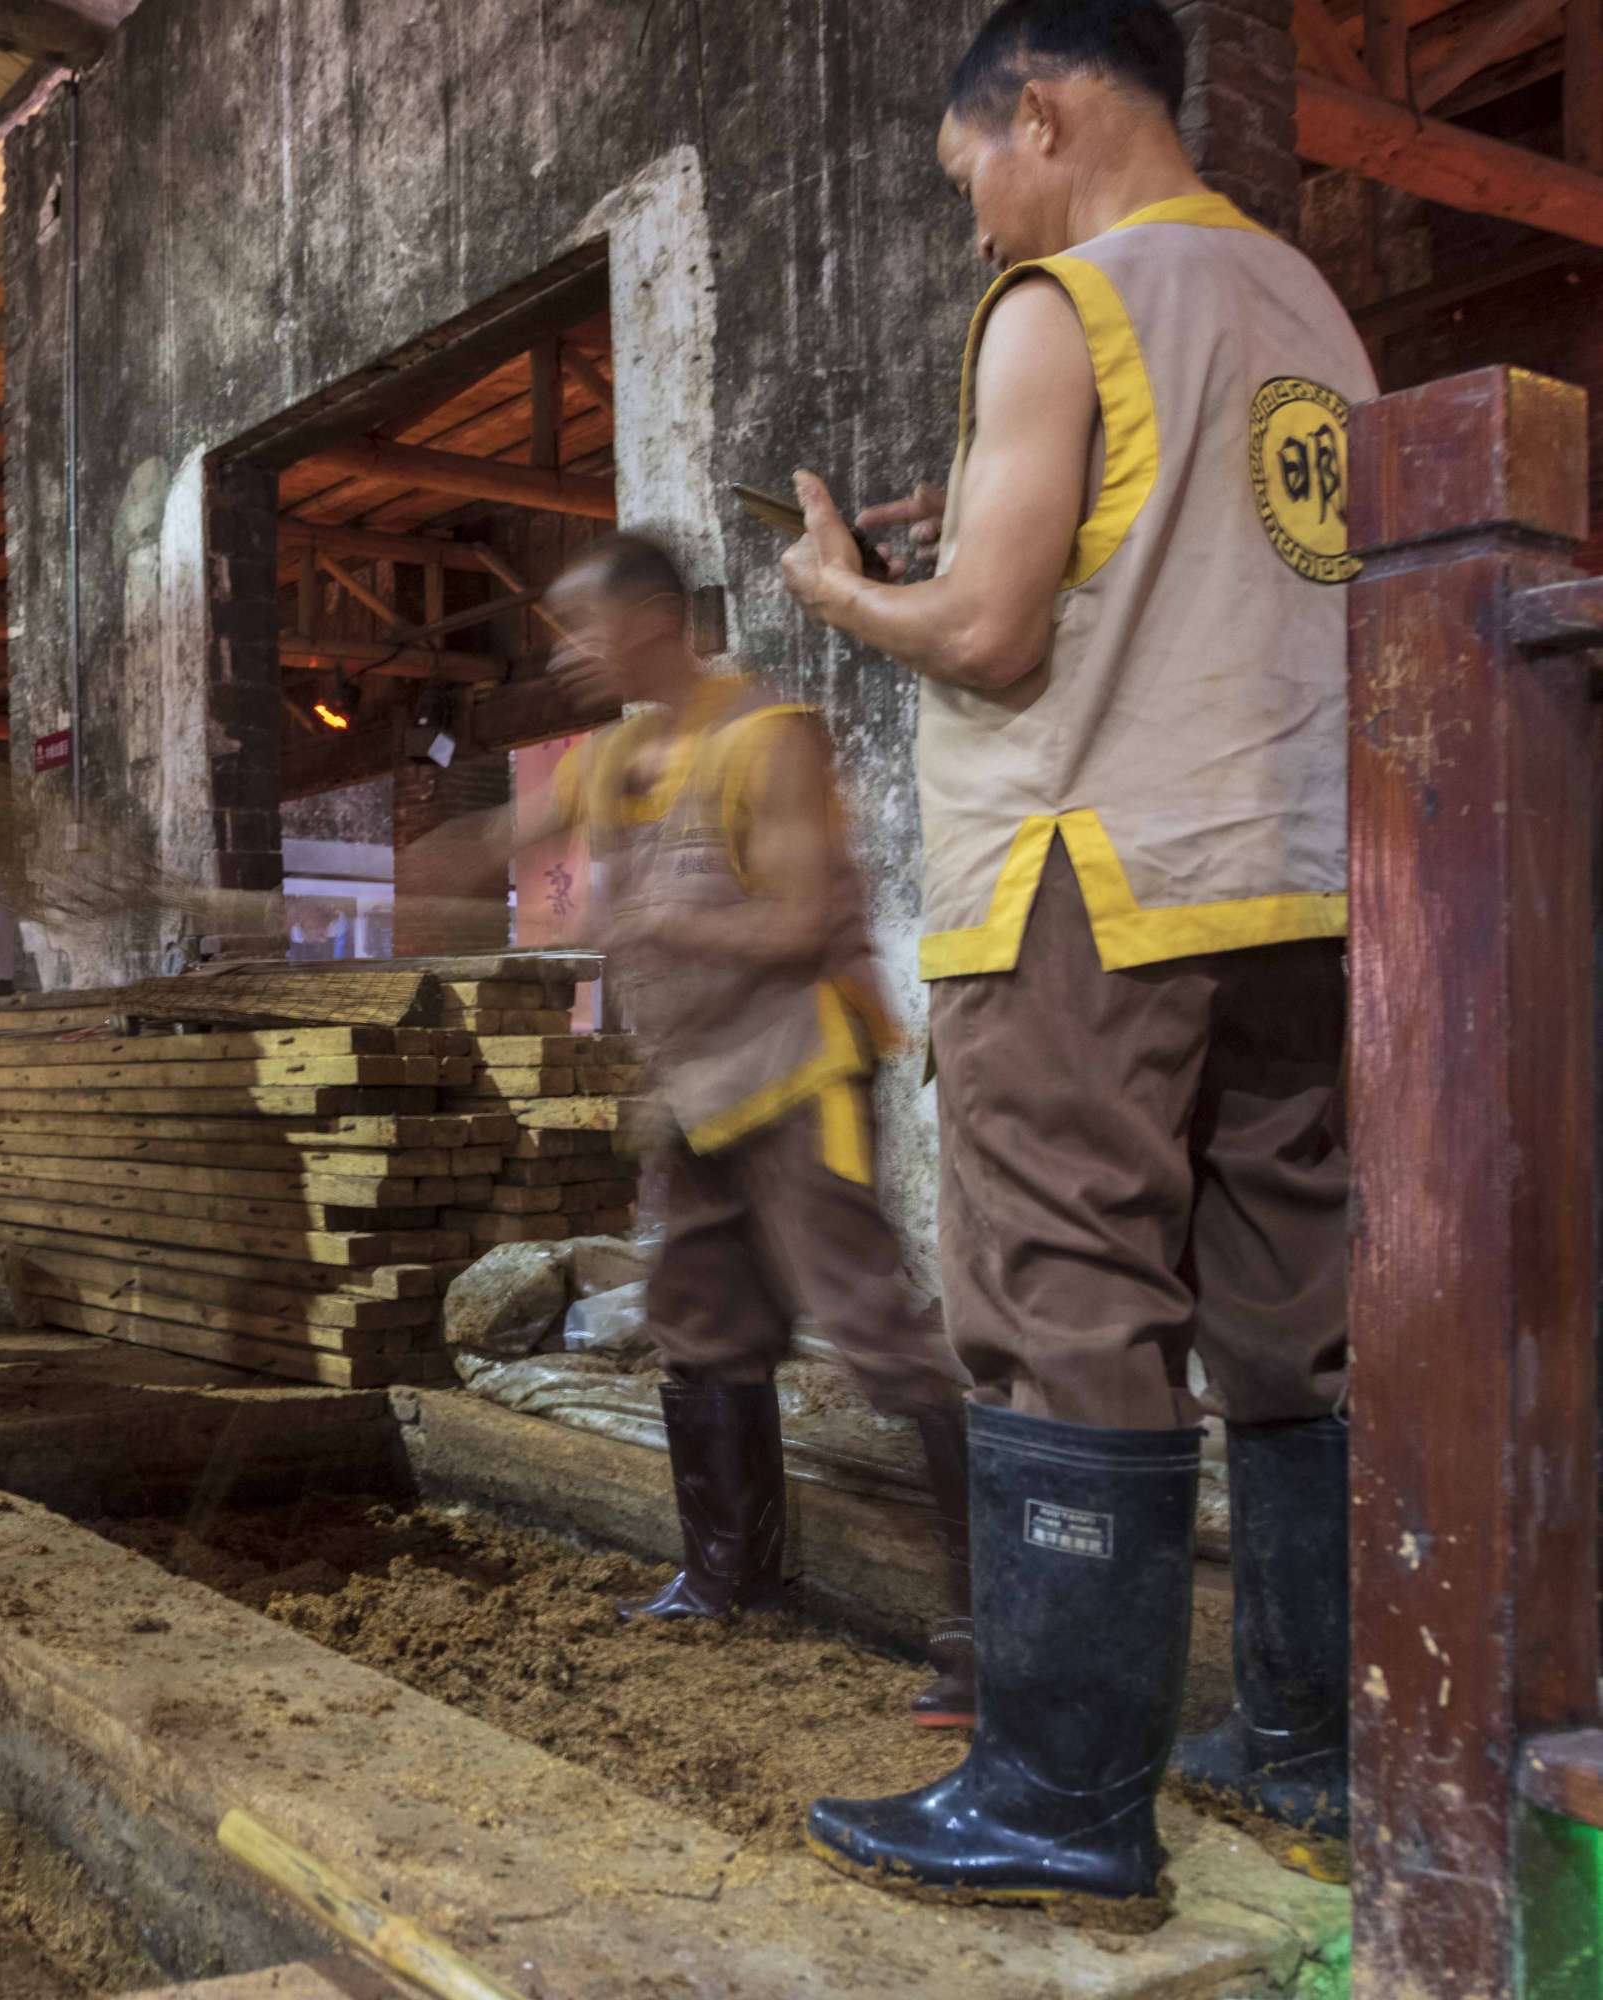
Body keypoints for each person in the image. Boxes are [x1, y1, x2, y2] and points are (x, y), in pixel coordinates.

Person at [776, 0, 1371, 1912]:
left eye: (974, 178)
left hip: (1082, 882)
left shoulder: (1066, 305)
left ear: (1038, 112)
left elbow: (993, 631)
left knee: (1061, 1302)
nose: (974, 228)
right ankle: (1312, 1740)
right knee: (1296, 1318)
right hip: (1292, 878)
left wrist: (845, 592)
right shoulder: (1308, 315)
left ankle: (1055, 1797)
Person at [424, 535, 975, 1727]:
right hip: (697, 1090)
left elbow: (803, 921)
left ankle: (988, 1624)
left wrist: (680, 920)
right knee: (703, 1328)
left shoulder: (766, 739)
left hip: (797, 1073)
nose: (565, 652)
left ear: (658, 619)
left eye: (581, 626)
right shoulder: (620, 754)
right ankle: (729, 1573)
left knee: (874, 1328)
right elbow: (492, 849)